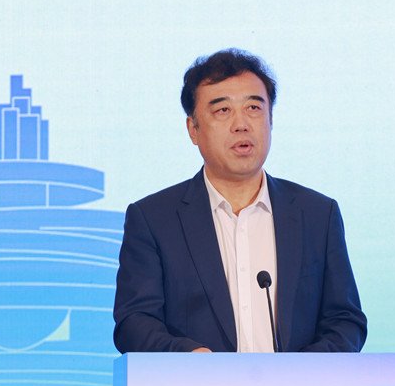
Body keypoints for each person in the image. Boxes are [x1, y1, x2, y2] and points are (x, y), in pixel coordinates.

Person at [113, 49, 367, 353]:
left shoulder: (317, 214)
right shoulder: (154, 219)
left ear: (270, 120)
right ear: (193, 129)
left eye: (254, 108)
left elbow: (345, 321)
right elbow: (134, 323)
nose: (241, 124)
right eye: (223, 110)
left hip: (297, 385)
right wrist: (187, 358)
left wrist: (302, 371)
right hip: (197, 383)